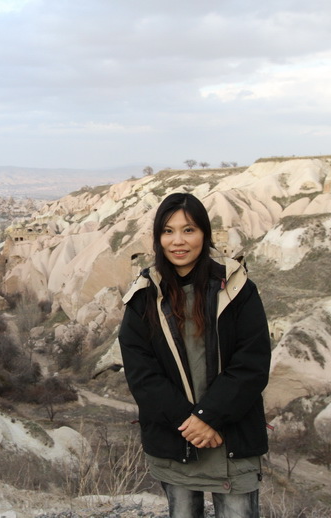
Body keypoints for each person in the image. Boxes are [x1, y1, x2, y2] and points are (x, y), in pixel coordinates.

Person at [118, 192, 271, 518]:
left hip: (231, 438)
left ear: (204, 233)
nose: (178, 241)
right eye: (168, 231)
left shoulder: (236, 287)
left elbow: (252, 363)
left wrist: (208, 417)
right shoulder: (144, 296)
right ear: (158, 238)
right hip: (177, 439)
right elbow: (141, 372)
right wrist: (190, 423)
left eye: (188, 230)